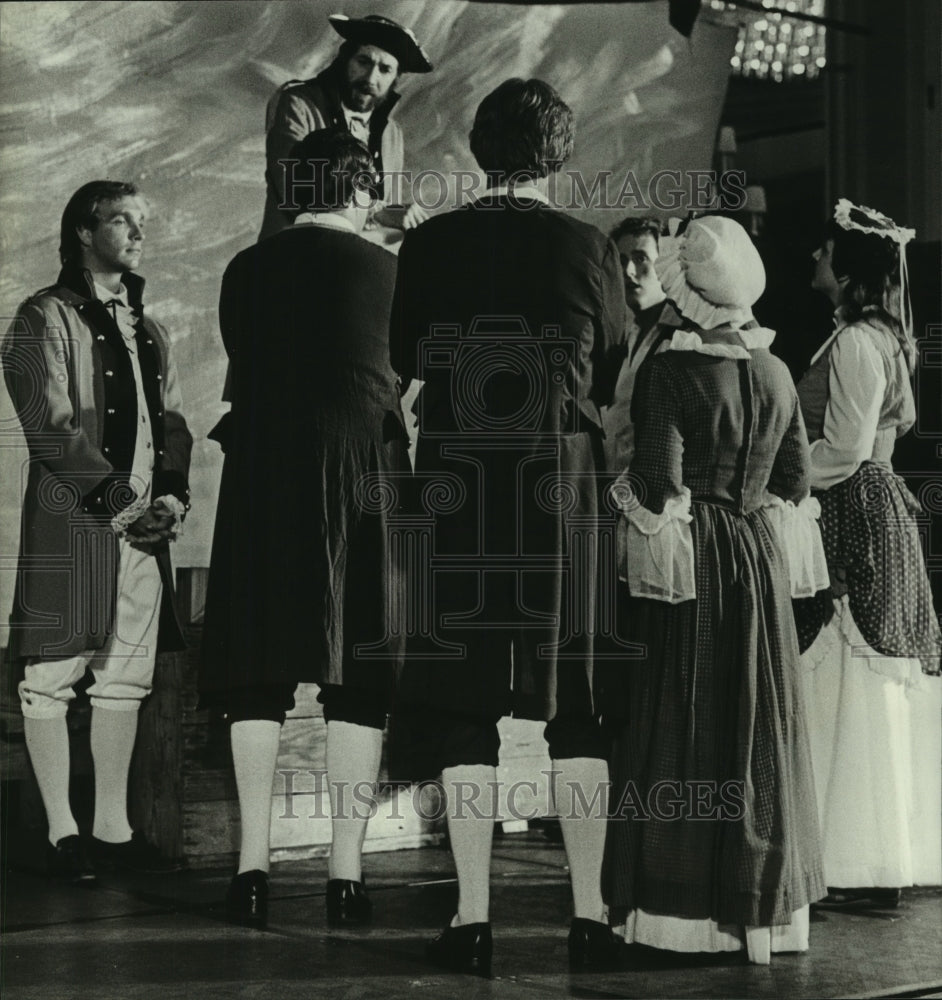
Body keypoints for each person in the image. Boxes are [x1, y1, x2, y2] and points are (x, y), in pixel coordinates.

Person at [390, 78, 628, 976]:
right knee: (578, 707)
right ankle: (591, 917)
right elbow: (607, 361)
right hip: (559, 479)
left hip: (458, 476)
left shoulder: (432, 243)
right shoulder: (586, 245)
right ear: (559, 154)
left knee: (462, 705)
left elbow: (405, 354)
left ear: (479, 149)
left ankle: (473, 918)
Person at [601, 215, 827, 964]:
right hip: (757, 561)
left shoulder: (672, 370)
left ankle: (685, 912)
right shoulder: (774, 370)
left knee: (686, 718)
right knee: (758, 720)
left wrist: (615, 503)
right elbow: (793, 481)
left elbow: (658, 485)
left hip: (697, 561)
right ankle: (764, 913)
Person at [200, 128, 410, 930]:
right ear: (361, 191)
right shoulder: (392, 271)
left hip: (265, 472)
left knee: (256, 670)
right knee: (359, 676)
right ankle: (345, 874)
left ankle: (250, 870)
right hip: (363, 471)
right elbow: (406, 373)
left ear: (296, 190)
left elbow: (242, 355)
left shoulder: (247, 270)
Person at [3, 180, 192, 882]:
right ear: (84, 232)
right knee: (51, 675)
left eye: (142, 222)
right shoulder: (42, 318)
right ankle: (62, 833)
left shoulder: (149, 328)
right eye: (122, 221)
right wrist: (121, 499)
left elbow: (171, 423)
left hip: (144, 533)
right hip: (73, 526)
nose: (138, 234)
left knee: (125, 678)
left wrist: (169, 495)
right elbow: (49, 425)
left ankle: (112, 830)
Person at [796, 199, 942, 907]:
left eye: (825, 252)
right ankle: (869, 857)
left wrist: (786, 478)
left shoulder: (856, 342)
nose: (815, 261)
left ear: (849, 270)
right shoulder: (879, 337)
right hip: (876, 505)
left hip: (852, 508)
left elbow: (846, 448)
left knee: (852, 675)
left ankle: (859, 863)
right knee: (861, 679)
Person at [258, 12, 433, 241]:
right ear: (345, 59)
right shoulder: (298, 104)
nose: (371, 78)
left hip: (355, 262)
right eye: (363, 62)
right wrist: (380, 212)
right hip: (291, 256)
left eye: (385, 69)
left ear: (395, 78)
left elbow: (388, 208)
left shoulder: (392, 133)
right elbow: (295, 189)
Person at [603, 216, 684, 473]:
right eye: (622, 260)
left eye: (640, 259)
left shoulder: (682, 334)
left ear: (665, 265)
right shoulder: (620, 331)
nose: (628, 271)